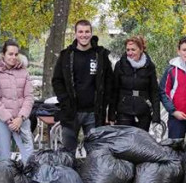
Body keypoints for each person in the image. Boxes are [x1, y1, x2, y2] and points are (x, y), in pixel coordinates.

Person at [51, 20, 113, 153]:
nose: (83, 35)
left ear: (91, 33)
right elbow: (57, 81)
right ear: (75, 34)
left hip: (94, 113)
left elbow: (109, 81)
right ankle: (67, 174)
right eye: (80, 31)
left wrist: (105, 103)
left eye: (87, 32)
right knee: (67, 151)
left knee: (96, 152)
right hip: (71, 112)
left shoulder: (100, 55)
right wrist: (65, 101)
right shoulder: (66, 55)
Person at [109, 35, 160, 132]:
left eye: (133, 49)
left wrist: (156, 116)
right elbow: (114, 90)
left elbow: (154, 92)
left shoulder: (149, 66)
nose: (130, 53)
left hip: (143, 111)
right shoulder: (120, 65)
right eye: (128, 50)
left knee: (140, 144)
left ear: (141, 49)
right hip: (124, 111)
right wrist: (111, 115)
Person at [0, 40, 34, 162]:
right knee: (4, 156)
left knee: (28, 155)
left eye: (16, 54)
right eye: (10, 54)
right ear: (3, 54)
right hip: (3, 121)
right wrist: (9, 120)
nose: (13, 57)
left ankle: (28, 179)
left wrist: (20, 118)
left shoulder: (24, 72)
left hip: (21, 119)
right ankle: (5, 180)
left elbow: (29, 97)